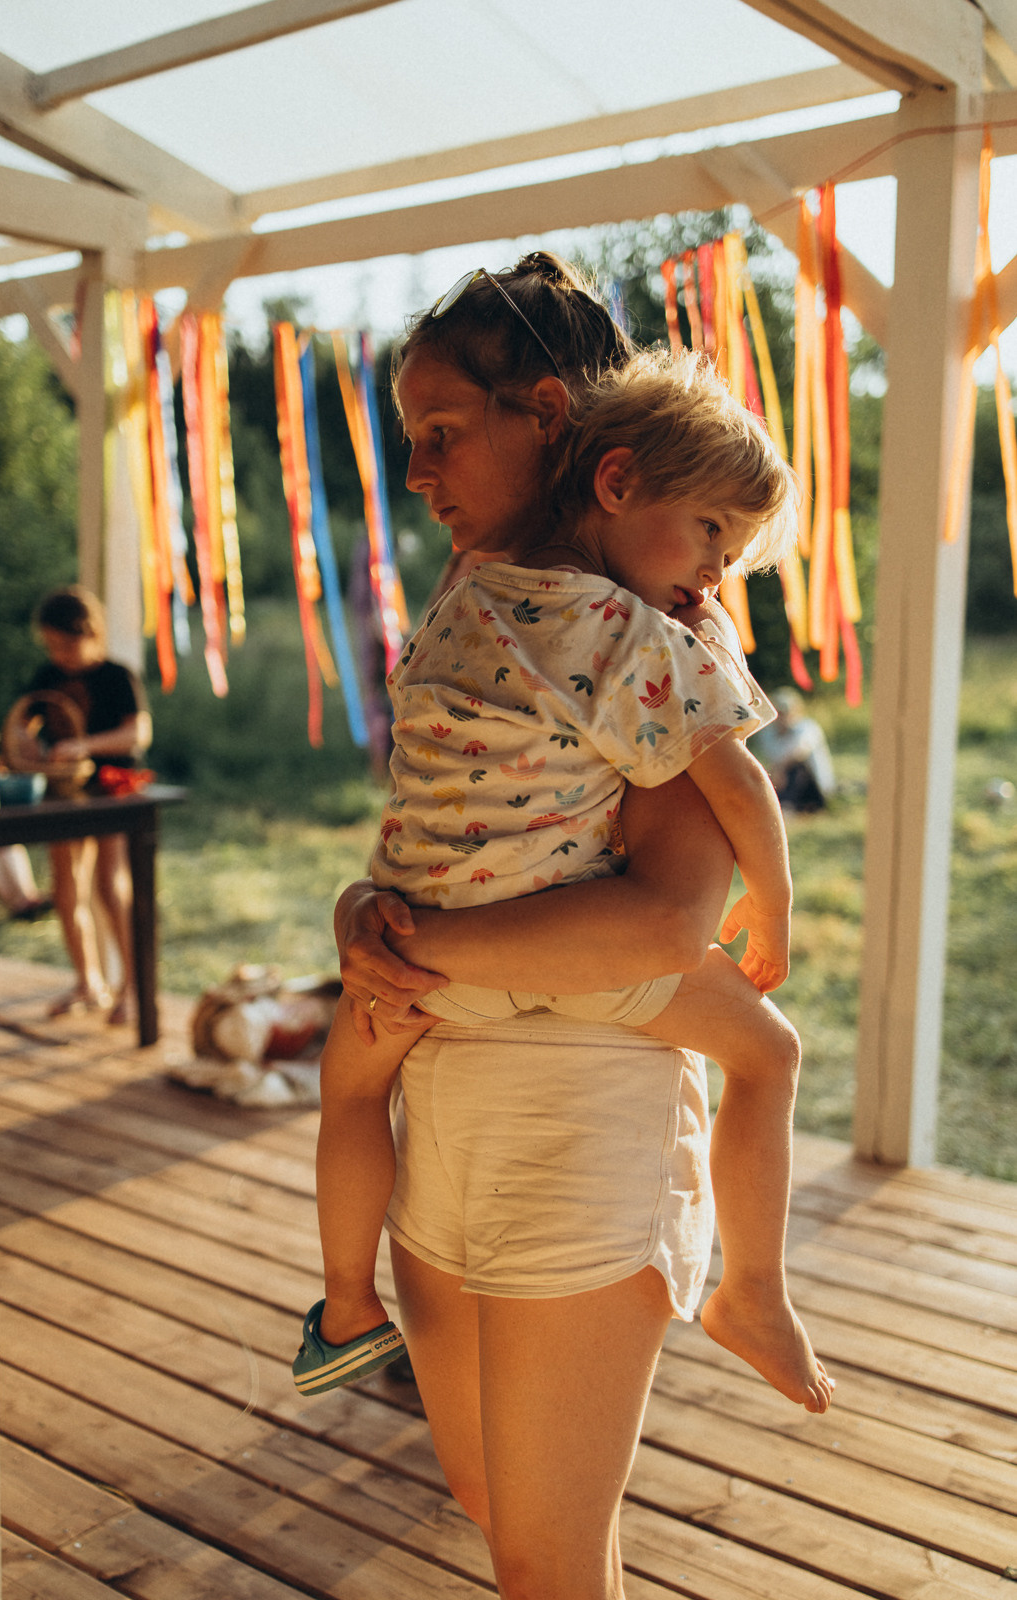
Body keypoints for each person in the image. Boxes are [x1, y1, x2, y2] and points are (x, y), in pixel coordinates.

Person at [315, 257, 826, 1600]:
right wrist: (369, 909)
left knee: (544, 1564)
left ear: (550, 419)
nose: (418, 473)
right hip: (449, 1116)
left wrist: (408, 948)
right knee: (494, 1506)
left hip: (576, 1132)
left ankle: (749, 1288)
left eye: (441, 435)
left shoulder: (657, 638)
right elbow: (449, 828)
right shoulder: (479, 601)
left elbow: (664, 923)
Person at [27, 586, 152, 1023]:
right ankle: (88, 981)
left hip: (110, 787)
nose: (59, 653)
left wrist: (84, 745)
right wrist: (26, 746)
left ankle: (133, 987)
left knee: (109, 886)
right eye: (52, 645)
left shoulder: (116, 676)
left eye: (66, 643)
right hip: (64, 791)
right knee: (65, 888)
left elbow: (137, 733)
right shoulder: (47, 676)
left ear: (90, 633)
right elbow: (27, 723)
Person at [754, 686, 836, 812]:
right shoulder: (768, 733)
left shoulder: (807, 727)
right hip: (782, 780)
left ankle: (788, 804)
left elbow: (799, 752)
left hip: (814, 786)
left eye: (785, 712)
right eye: (778, 712)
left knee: (797, 767)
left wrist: (780, 768)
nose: (781, 717)